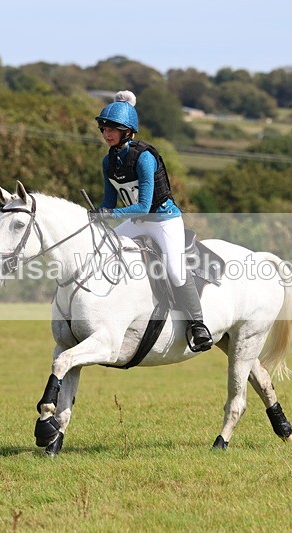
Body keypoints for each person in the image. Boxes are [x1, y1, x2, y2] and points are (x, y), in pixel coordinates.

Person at [92, 90, 212, 352]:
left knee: (175, 269)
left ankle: (198, 325)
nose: (107, 133)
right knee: (102, 246)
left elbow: (145, 206)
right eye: (104, 128)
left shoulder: (144, 157)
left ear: (128, 131)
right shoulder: (108, 162)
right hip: (137, 221)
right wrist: (95, 214)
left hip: (163, 220)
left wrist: (109, 215)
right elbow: (109, 202)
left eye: (114, 128)